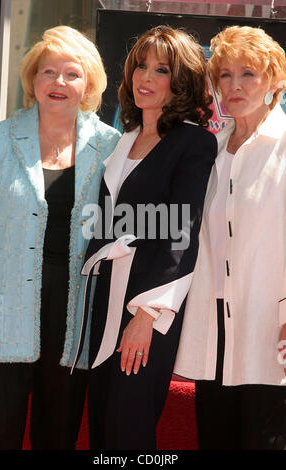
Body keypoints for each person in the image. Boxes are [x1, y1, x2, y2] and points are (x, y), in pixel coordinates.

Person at [74, 25, 217, 450]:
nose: (145, 77)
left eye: (161, 69)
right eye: (140, 66)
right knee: (103, 422)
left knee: (130, 429)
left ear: (182, 82)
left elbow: (182, 231)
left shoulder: (194, 142)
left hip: (145, 310)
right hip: (105, 305)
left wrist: (147, 315)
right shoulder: (124, 141)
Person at [0, 25, 120, 450]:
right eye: (48, 72)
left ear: (90, 84)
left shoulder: (112, 147)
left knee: (57, 431)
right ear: (32, 80)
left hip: (74, 313)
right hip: (0, 310)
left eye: (72, 74)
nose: (59, 83)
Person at [174, 25, 286, 450]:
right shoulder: (212, 149)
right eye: (225, 75)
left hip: (272, 332)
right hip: (214, 332)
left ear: (275, 80)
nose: (234, 86)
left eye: (249, 74)